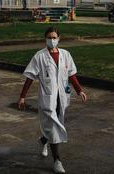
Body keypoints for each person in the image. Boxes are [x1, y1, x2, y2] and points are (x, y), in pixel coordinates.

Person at [18, 27, 87, 174]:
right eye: (49, 37)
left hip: (61, 98)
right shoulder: (39, 56)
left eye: (54, 37)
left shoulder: (66, 55)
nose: (52, 40)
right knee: (54, 128)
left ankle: (43, 140)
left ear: (59, 38)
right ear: (45, 39)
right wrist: (22, 97)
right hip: (47, 99)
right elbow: (30, 77)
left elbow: (71, 75)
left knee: (54, 125)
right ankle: (57, 161)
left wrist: (79, 90)